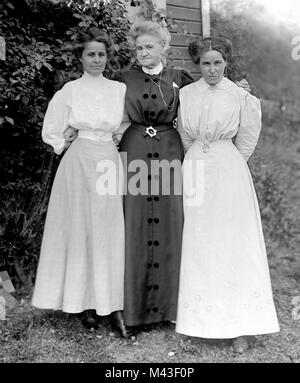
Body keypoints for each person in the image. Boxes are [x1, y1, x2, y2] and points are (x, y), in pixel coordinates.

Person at [175, 37, 280, 353]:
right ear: (198, 65)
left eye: (217, 63)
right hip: (195, 168)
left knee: (233, 243)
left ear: (226, 63)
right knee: (200, 241)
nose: (211, 69)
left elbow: (247, 138)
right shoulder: (186, 94)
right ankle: (200, 323)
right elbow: (183, 135)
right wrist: (197, 160)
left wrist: (227, 162)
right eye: (205, 63)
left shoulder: (239, 95)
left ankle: (240, 327)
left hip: (229, 172)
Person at [31, 27, 131, 337]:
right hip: (79, 162)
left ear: (107, 58)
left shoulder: (118, 90)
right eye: (91, 54)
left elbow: (127, 124)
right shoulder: (70, 90)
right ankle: (86, 303)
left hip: (108, 161)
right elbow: (51, 129)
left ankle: (113, 304)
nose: (97, 60)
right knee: (82, 228)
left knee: (109, 229)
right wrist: (63, 142)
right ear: (81, 58)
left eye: (101, 54)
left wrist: (116, 140)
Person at [113, 21, 194, 329]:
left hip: (170, 151)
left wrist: (237, 90)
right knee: (134, 220)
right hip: (133, 151)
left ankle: (171, 309)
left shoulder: (179, 79)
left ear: (163, 48)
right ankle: (134, 310)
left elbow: (205, 99)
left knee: (171, 220)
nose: (143, 52)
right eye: (138, 48)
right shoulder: (122, 80)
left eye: (149, 46)